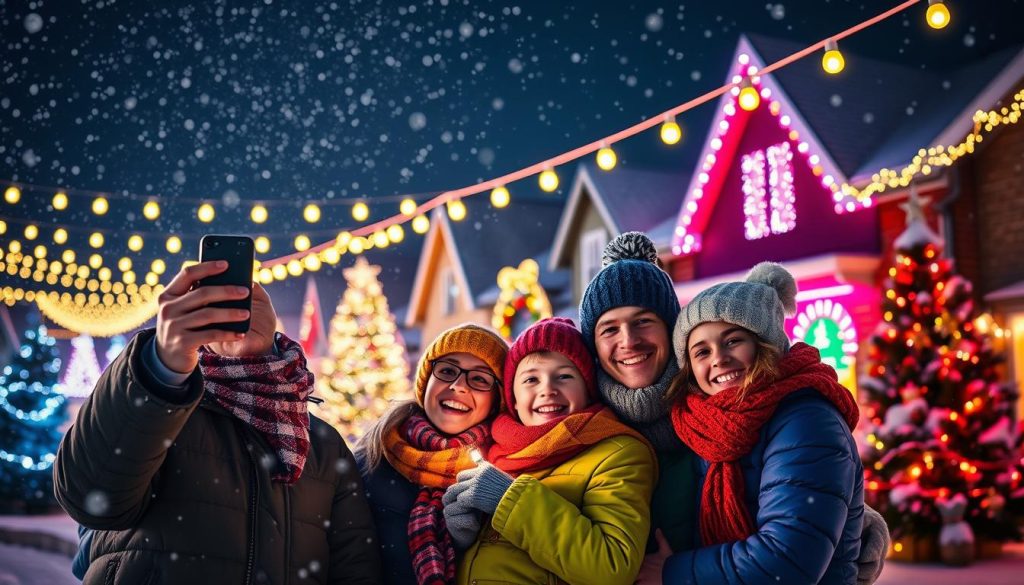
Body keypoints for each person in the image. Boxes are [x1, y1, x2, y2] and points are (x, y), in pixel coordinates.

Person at [581, 232, 889, 585]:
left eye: (643, 321)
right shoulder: (583, 418)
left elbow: (793, 505)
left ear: (670, 332)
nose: (629, 340)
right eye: (609, 329)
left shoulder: (708, 412)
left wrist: (853, 524)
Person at [55, 260, 381, 584]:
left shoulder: (322, 445)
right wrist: (162, 365)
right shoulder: (158, 403)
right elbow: (91, 499)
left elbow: (355, 570)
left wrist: (255, 349)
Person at [654, 261, 864, 584]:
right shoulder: (703, 427)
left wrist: (673, 573)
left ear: (764, 345)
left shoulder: (807, 421)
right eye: (701, 352)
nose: (718, 359)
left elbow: (787, 561)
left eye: (732, 340)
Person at [442, 317, 656, 585]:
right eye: (531, 379)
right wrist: (464, 539)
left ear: (587, 390)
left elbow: (612, 566)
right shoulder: (494, 453)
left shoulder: (618, 453)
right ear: (514, 400)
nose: (547, 390)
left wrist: (509, 499)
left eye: (564, 376)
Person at [355, 323, 508, 585]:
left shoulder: (504, 472)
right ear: (427, 380)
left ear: (497, 398)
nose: (459, 386)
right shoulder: (373, 456)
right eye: (447, 371)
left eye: (480, 379)